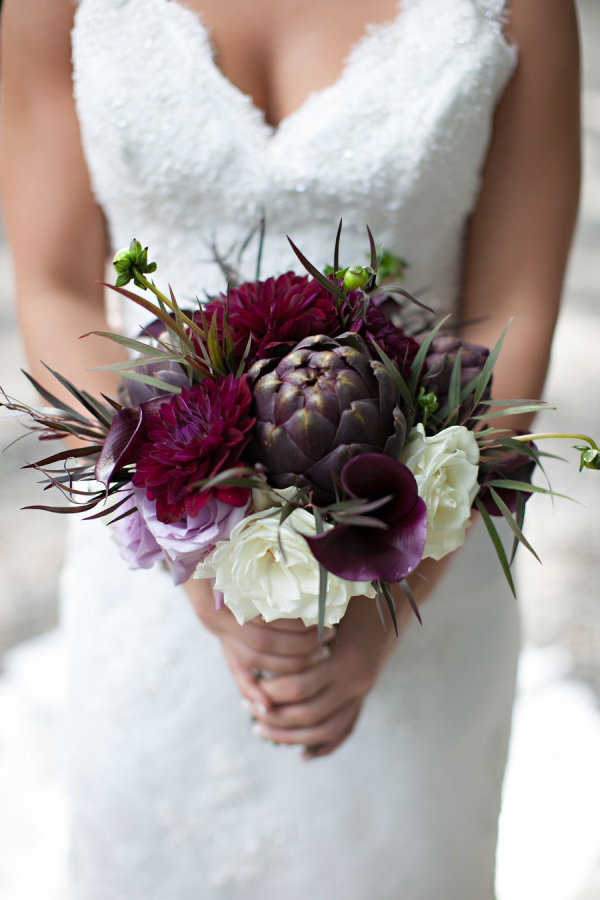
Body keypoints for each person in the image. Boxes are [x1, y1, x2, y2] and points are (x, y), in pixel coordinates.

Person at [0, 0, 580, 897]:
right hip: (152, 575)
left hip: (423, 562)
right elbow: (57, 283)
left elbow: (510, 313)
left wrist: (398, 597)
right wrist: (192, 560)